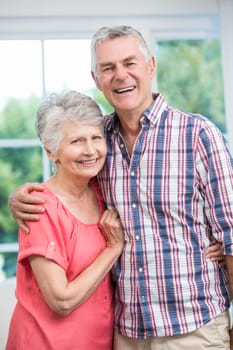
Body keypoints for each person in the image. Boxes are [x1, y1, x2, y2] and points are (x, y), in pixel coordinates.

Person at [8, 25, 233, 349]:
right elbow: (66, 184)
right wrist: (20, 195)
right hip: (127, 333)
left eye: (130, 63)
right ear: (96, 78)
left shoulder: (198, 134)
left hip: (193, 329)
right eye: (108, 68)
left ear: (151, 65)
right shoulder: (100, 142)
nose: (120, 75)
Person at [6, 90, 125, 350]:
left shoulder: (102, 190)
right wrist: (112, 249)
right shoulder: (39, 208)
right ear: (51, 152)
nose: (90, 150)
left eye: (96, 137)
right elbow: (62, 300)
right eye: (76, 141)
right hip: (45, 343)